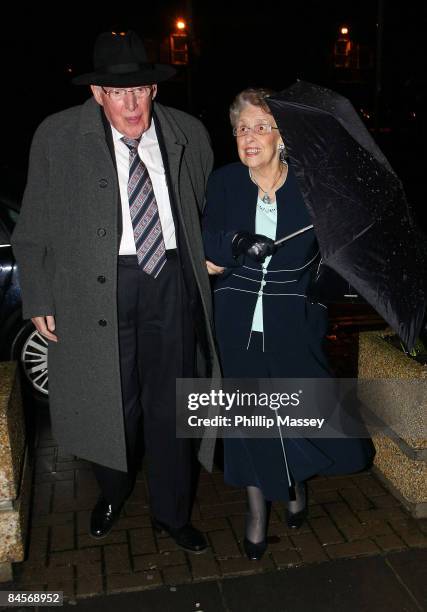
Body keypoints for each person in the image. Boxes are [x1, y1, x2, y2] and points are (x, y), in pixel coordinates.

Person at [12, 30, 220, 553]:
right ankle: (113, 489)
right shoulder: (57, 138)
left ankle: (172, 513)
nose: (131, 102)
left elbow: (203, 209)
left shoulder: (189, 133)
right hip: (94, 290)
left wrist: (215, 250)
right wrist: (38, 296)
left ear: (154, 88)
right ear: (96, 93)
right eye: (116, 91)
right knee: (111, 404)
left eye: (141, 89)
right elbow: (33, 227)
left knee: (173, 405)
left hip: (171, 281)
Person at [203, 88, 374, 560]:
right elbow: (207, 248)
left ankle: (294, 481)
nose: (250, 136)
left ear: (282, 137)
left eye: (261, 127)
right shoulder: (223, 183)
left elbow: (338, 254)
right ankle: (257, 513)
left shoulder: (311, 189)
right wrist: (236, 243)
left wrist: (326, 278)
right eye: (242, 128)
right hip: (237, 324)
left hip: (295, 322)